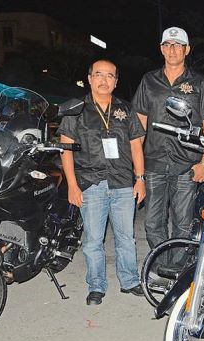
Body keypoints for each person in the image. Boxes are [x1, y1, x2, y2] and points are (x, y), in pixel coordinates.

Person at [131, 27, 204, 274]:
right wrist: (136, 167)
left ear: (186, 50)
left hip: (187, 163)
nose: (172, 49)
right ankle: (161, 267)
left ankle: (177, 267)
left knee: (182, 222)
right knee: (152, 222)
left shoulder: (199, 82)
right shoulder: (149, 81)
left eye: (177, 45)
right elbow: (138, 123)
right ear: (161, 49)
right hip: (154, 162)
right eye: (168, 45)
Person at [58, 59, 146, 305]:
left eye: (110, 76)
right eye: (99, 74)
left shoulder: (126, 110)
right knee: (93, 240)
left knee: (126, 237)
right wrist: (72, 186)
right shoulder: (75, 109)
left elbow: (136, 146)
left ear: (116, 82)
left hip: (122, 183)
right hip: (90, 184)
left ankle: (129, 281)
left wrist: (140, 179)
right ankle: (96, 286)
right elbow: (66, 150)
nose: (104, 80)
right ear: (89, 78)